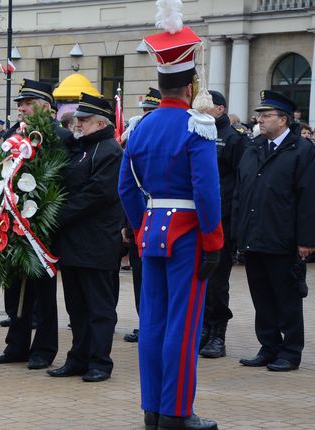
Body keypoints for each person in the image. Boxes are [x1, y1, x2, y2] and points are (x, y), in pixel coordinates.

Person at [118, 17, 222, 430]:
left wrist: (140, 225)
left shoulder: (140, 127)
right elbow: (207, 193)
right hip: (188, 234)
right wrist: (213, 242)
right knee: (184, 323)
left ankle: (152, 408)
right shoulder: (197, 125)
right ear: (191, 85)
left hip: (152, 231)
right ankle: (176, 412)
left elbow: (126, 187)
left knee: (153, 323)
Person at [0, 79, 72, 370]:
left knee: (43, 292)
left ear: (47, 107)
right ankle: (16, 345)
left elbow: (62, 181)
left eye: (27, 103)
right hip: (12, 223)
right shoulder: (14, 134)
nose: (21, 108)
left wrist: (40, 208)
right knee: (13, 288)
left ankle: (44, 348)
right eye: (20, 103)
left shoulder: (60, 136)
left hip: (42, 225)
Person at [235, 90, 315, 372]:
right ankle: (268, 347)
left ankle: (291, 351)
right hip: (254, 236)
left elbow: (308, 198)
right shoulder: (254, 147)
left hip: (283, 238)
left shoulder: (301, 150)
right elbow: (241, 193)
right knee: (261, 296)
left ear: (283, 120)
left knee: (287, 297)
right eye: (259, 115)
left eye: (266, 115)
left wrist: (306, 240)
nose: (260, 119)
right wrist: (238, 232)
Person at [47, 93, 123, 382]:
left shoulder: (110, 150)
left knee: (99, 308)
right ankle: (77, 357)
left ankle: (99, 362)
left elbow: (98, 194)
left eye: (83, 119)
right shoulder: (81, 149)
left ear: (100, 122)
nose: (77, 123)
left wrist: (57, 213)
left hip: (97, 243)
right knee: (76, 307)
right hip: (73, 242)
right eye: (77, 119)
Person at [197, 90, 251, 358]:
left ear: (220, 109)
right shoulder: (198, 133)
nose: (199, 111)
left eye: (205, 107)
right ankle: (203, 329)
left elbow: (240, 182)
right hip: (198, 218)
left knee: (217, 281)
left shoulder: (233, 139)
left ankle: (218, 333)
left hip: (222, 220)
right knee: (201, 278)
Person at [121, 86, 161, 343]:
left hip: (162, 221)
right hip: (138, 223)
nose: (146, 116)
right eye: (144, 111)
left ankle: (156, 324)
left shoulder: (163, 142)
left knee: (157, 278)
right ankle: (144, 321)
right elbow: (127, 187)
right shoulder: (134, 140)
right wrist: (130, 224)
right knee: (139, 277)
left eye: (151, 111)